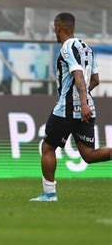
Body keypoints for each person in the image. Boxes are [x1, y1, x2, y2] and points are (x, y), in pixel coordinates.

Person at [30, 12, 111, 202]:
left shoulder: (67, 47)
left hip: (69, 108)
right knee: (88, 155)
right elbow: (96, 79)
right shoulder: (87, 48)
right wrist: (84, 100)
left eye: (54, 28)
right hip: (86, 107)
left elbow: (78, 75)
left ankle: (49, 194)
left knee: (48, 147)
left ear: (58, 28)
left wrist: (79, 101)